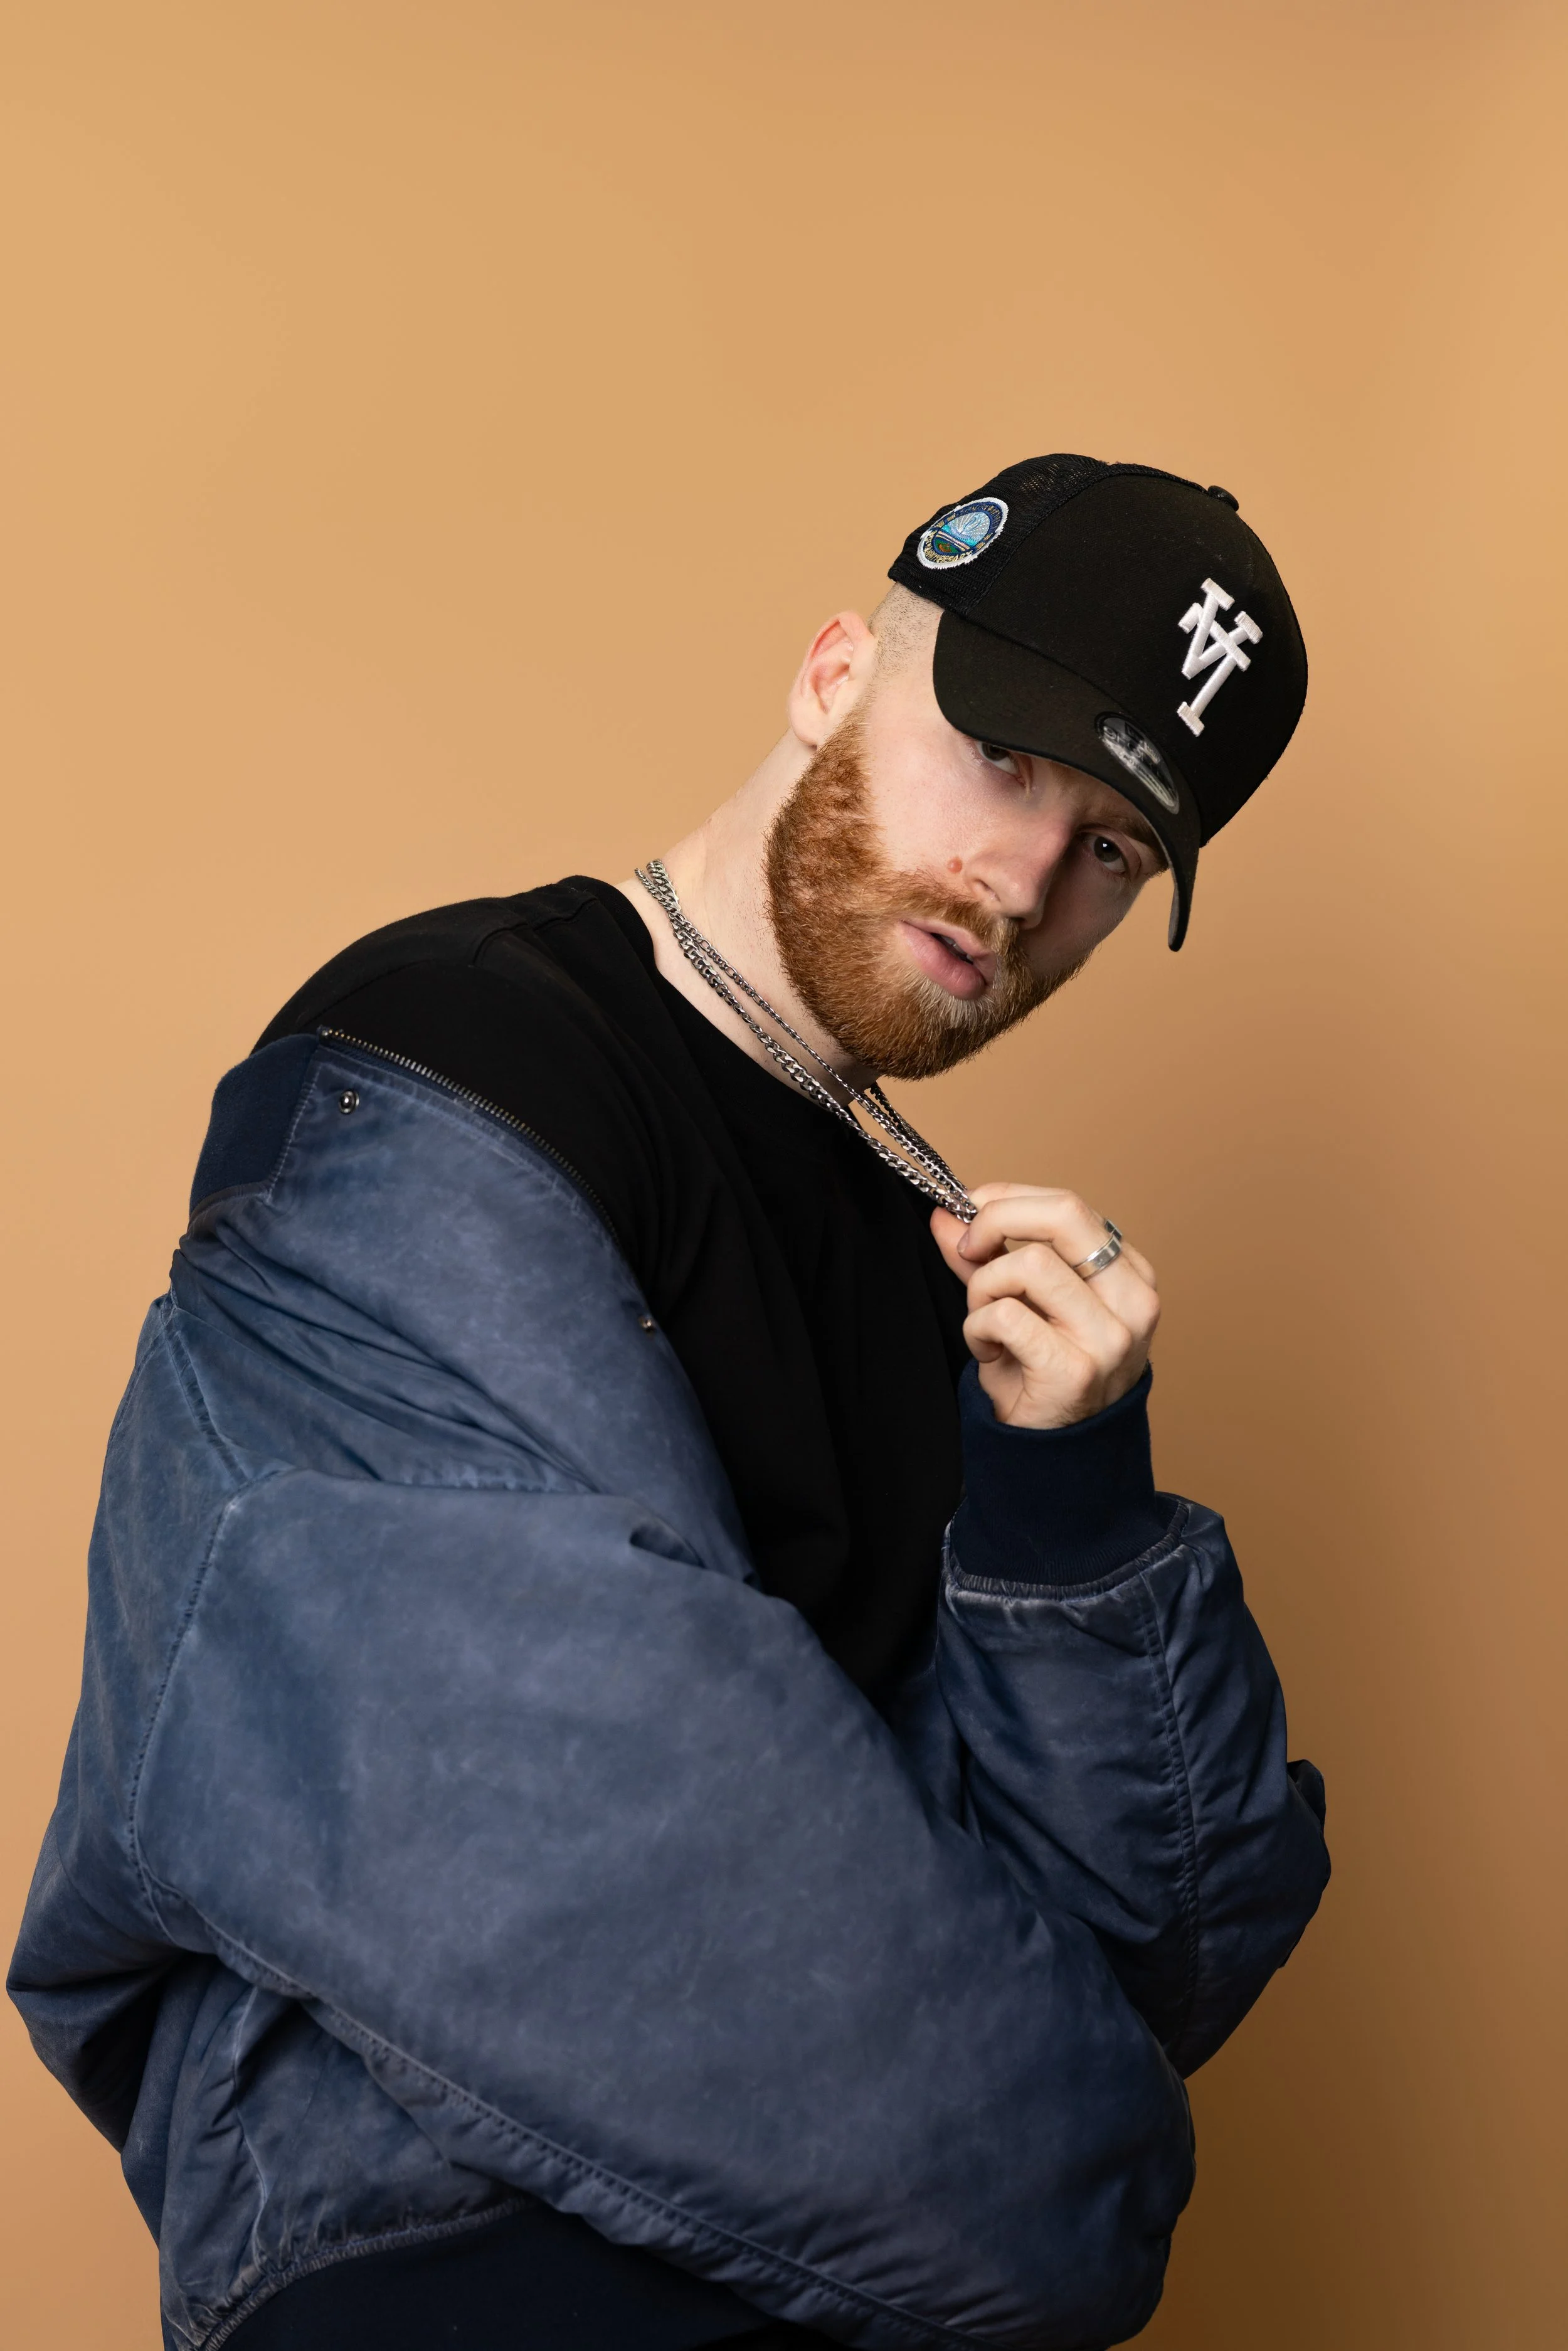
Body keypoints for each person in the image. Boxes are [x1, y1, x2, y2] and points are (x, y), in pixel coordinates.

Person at [11, 454, 1328, 2351]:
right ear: (831, 676)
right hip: (435, 2277)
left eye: (1114, 849)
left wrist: (1071, 1505)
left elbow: (1138, 1970)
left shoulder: (947, 1272)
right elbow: (571, 1845)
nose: (1026, 882)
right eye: (1003, 757)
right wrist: (1094, 2174)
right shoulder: (452, 1051)